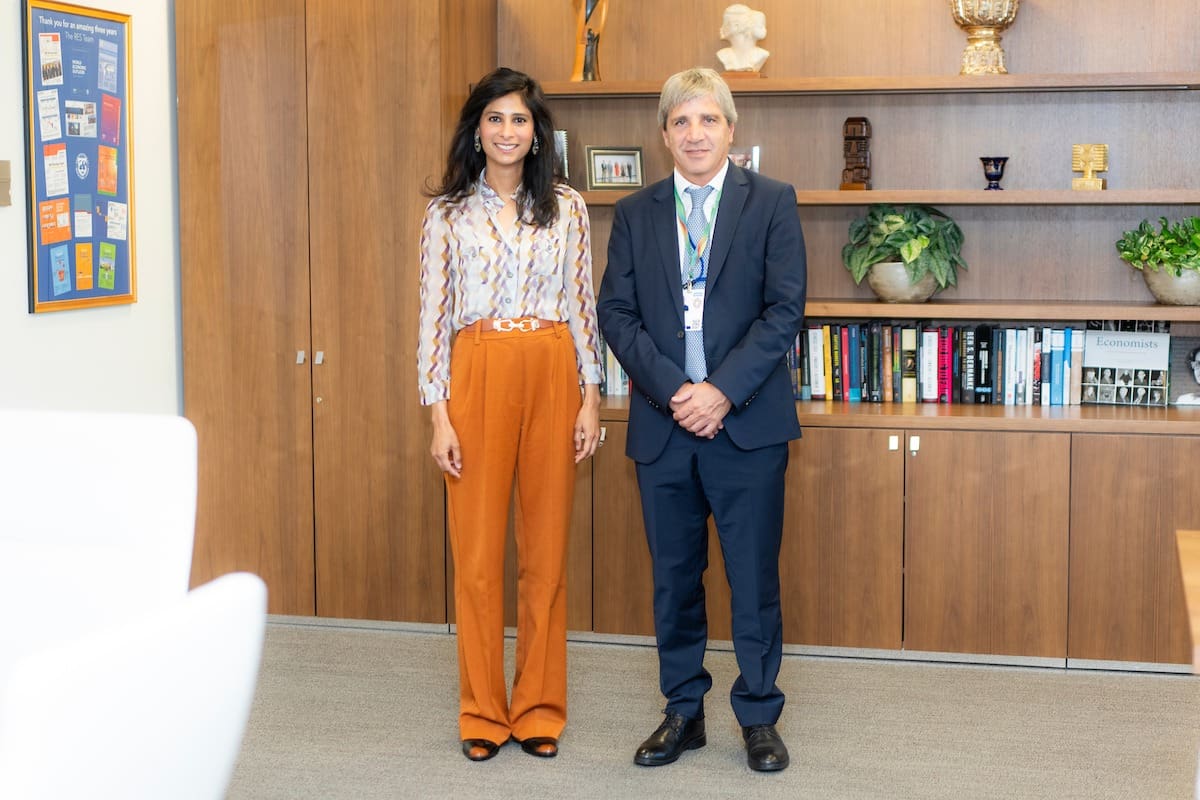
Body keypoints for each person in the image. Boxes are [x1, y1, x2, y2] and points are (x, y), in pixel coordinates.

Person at [596, 67, 807, 773]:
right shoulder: (636, 213)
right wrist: (675, 391)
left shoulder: (772, 202)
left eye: (707, 120)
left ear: (730, 129)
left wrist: (718, 391)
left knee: (753, 578)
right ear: (664, 135)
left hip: (746, 423)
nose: (694, 133)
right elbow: (616, 317)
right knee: (675, 579)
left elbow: (784, 312)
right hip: (664, 428)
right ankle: (683, 712)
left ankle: (758, 715)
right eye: (681, 122)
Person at [418, 67, 603, 762]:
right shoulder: (446, 214)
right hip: (477, 372)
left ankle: (538, 709)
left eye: (519, 120)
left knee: (545, 556)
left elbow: (583, 307)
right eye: (494, 119)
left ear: (536, 133)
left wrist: (591, 397)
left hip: (553, 366)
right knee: (475, 558)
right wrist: (438, 414)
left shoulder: (567, 207)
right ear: (476, 129)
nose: (506, 131)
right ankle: (482, 712)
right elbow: (432, 319)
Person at [716, 4, 770, 72]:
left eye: (725, 23)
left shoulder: (761, 55)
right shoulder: (723, 55)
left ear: (736, 26)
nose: (721, 28)